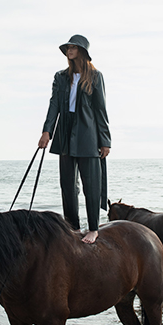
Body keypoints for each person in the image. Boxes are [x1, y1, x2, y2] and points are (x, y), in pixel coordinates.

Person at [38, 34, 111, 244]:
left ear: (82, 51)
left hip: (89, 134)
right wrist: (47, 132)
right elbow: (53, 105)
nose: (69, 51)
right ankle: (73, 227)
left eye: (73, 47)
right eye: (68, 48)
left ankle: (93, 229)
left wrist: (105, 140)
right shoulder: (60, 77)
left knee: (91, 184)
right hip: (65, 133)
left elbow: (101, 110)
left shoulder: (96, 77)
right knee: (68, 184)